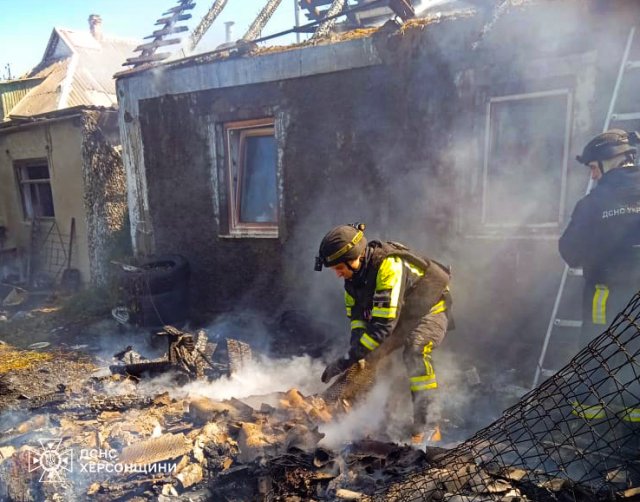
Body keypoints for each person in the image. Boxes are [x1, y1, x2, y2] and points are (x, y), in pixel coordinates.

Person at [315, 223, 452, 443]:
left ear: (354, 257)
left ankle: (428, 426)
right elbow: (358, 322)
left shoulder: (389, 266)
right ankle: (354, 414)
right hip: (399, 316)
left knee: (415, 350)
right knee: (366, 360)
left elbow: (382, 328)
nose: (338, 274)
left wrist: (344, 361)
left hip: (430, 309)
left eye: (339, 267)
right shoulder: (352, 281)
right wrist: (356, 356)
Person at [559, 129, 640, 346]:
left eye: (594, 167)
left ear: (610, 161)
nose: (593, 176)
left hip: (605, 315)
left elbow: (570, 253)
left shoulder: (591, 205)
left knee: (599, 363)